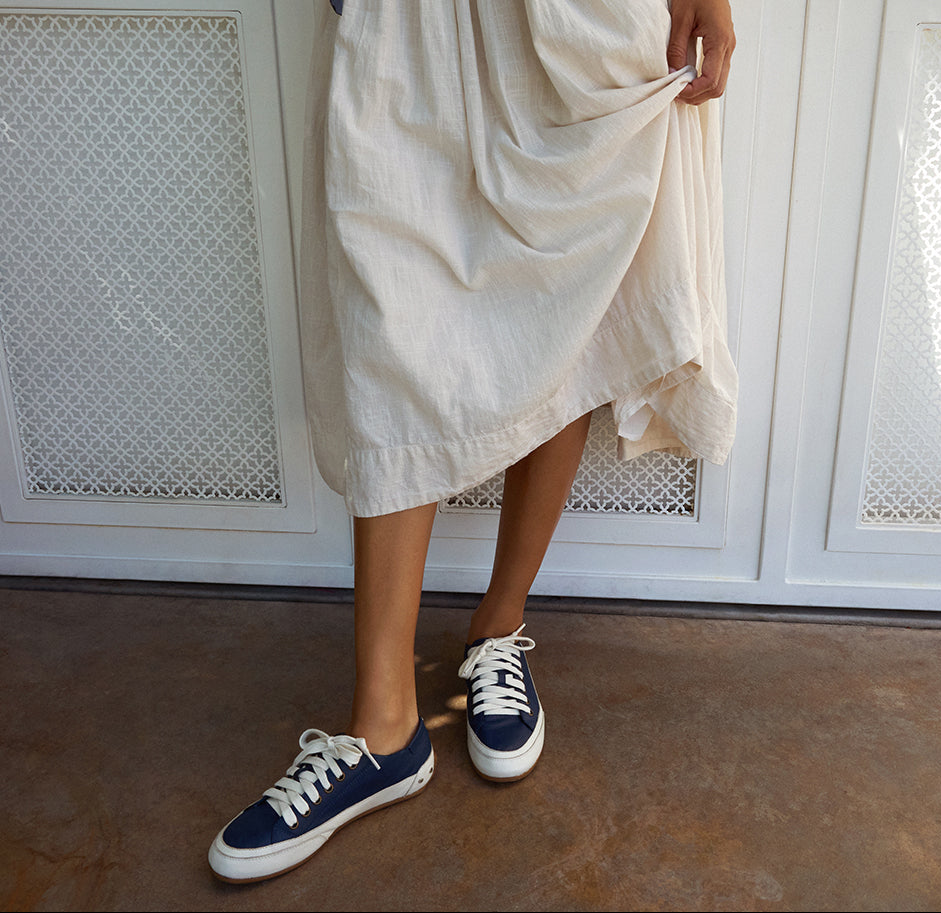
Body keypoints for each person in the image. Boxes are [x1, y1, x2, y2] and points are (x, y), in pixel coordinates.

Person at [208, 0, 738, 882]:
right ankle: (384, 727)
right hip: (403, 21)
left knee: (565, 310)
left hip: (575, 21)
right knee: (393, 339)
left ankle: (498, 629)